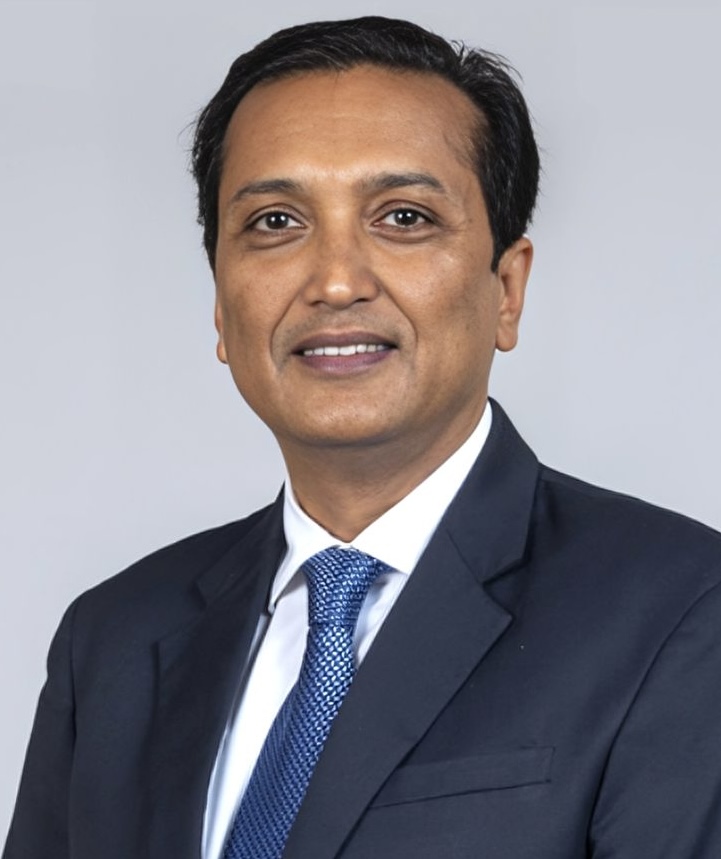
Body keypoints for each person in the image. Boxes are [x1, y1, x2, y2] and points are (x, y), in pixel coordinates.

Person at [4, 15, 721, 859]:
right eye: (275, 221)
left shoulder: (680, 610)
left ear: (506, 288)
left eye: (403, 216)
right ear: (220, 304)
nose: (336, 281)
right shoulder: (113, 640)